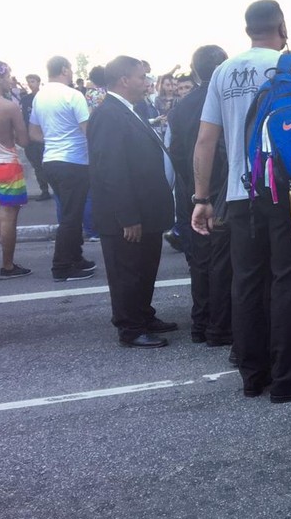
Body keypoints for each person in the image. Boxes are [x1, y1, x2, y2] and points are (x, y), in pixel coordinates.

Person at [192, 0, 291, 403]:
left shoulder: (222, 71)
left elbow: (206, 140)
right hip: (287, 195)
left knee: (247, 284)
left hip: (239, 195)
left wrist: (201, 197)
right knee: (288, 284)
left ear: (247, 28)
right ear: (282, 26)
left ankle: (252, 375)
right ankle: (287, 378)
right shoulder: (290, 67)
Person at [88, 56, 177, 347]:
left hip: (146, 210)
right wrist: (127, 217)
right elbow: (111, 170)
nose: (147, 83)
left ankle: (143, 314)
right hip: (127, 216)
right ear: (124, 80)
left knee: (143, 269)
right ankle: (131, 327)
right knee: (127, 272)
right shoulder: (108, 114)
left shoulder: (128, 110)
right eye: (141, 77)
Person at [167, 45, 232, 347]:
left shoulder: (182, 106)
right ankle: (220, 325)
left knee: (200, 260)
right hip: (221, 191)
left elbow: (177, 151)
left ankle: (201, 321)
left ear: (194, 72)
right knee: (223, 261)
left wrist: (193, 186)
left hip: (191, 191)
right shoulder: (226, 98)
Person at [29, 56, 96, 282]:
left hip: (51, 161)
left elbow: (34, 134)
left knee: (71, 212)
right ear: (65, 69)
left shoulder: (40, 96)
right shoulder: (73, 95)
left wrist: (55, 139)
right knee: (71, 215)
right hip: (74, 161)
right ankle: (62, 266)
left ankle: (76, 257)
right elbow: (88, 130)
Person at [0, 60, 31, 278]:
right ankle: (8, 266)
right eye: (8, 76)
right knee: (10, 215)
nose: (11, 80)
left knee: (0, 212)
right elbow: (24, 141)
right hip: (8, 165)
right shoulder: (8, 106)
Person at [19, 74, 51, 200]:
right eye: (29, 82)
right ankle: (44, 190)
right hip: (31, 138)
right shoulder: (26, 99)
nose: (31, 84)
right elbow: (23, 118)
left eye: (33, 81)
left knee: (48, 164)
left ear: (39, 82)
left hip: (44, 135)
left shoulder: (45, 97)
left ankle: (54, 186)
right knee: (37, 166)